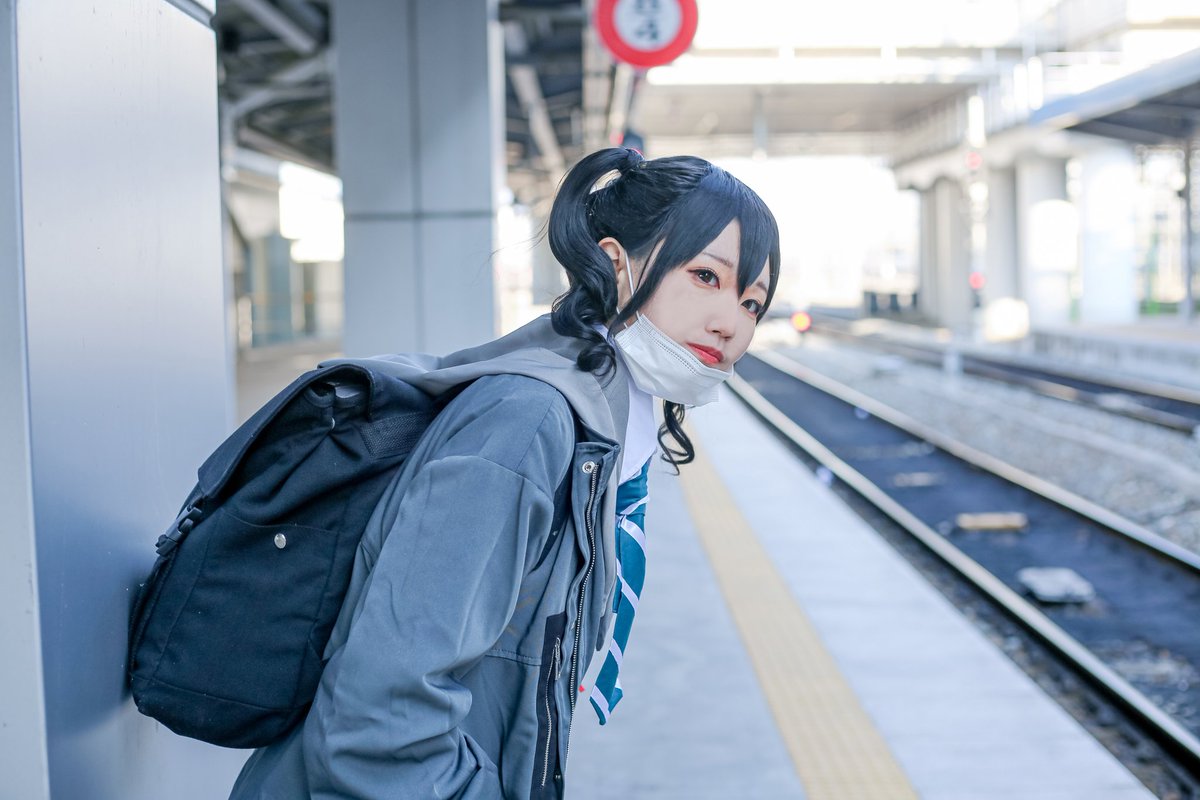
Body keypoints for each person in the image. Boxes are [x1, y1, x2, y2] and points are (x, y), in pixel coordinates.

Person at [228, 146, 780, 799]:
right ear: (615, 263)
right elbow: (380, 727)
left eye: (753, 303)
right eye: (706, 277)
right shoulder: (526, 426)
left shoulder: (600, 432)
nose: (730, 324)